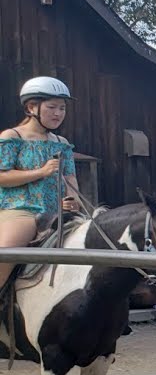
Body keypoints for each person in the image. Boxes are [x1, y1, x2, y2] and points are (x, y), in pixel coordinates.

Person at [0, 76, 81, 294]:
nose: (58, 113)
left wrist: (72, 200)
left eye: (62, 108)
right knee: (3, 258)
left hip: (57, 213)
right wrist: (41, 172)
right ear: (31, 107)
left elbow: (71, 180)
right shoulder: (12, 136)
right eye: (52, 107)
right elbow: (2, 176)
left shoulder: (62, 144)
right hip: (21, 211)